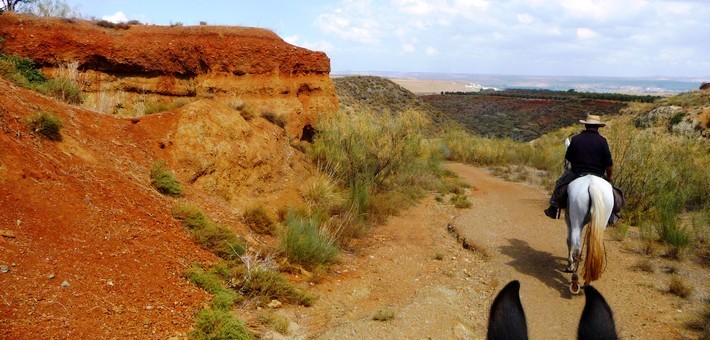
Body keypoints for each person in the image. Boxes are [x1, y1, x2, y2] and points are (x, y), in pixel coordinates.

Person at [544, 114, 613, 219]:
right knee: (611, 191)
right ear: (598, 127)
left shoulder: (576, 139)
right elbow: (608, 163)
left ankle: (553, 207)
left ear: (585, 126)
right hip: (598, 174)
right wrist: (610, 176)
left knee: (560, 183)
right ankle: (612, 215)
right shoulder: (602, 141)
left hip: (577, 172)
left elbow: (568, 157)